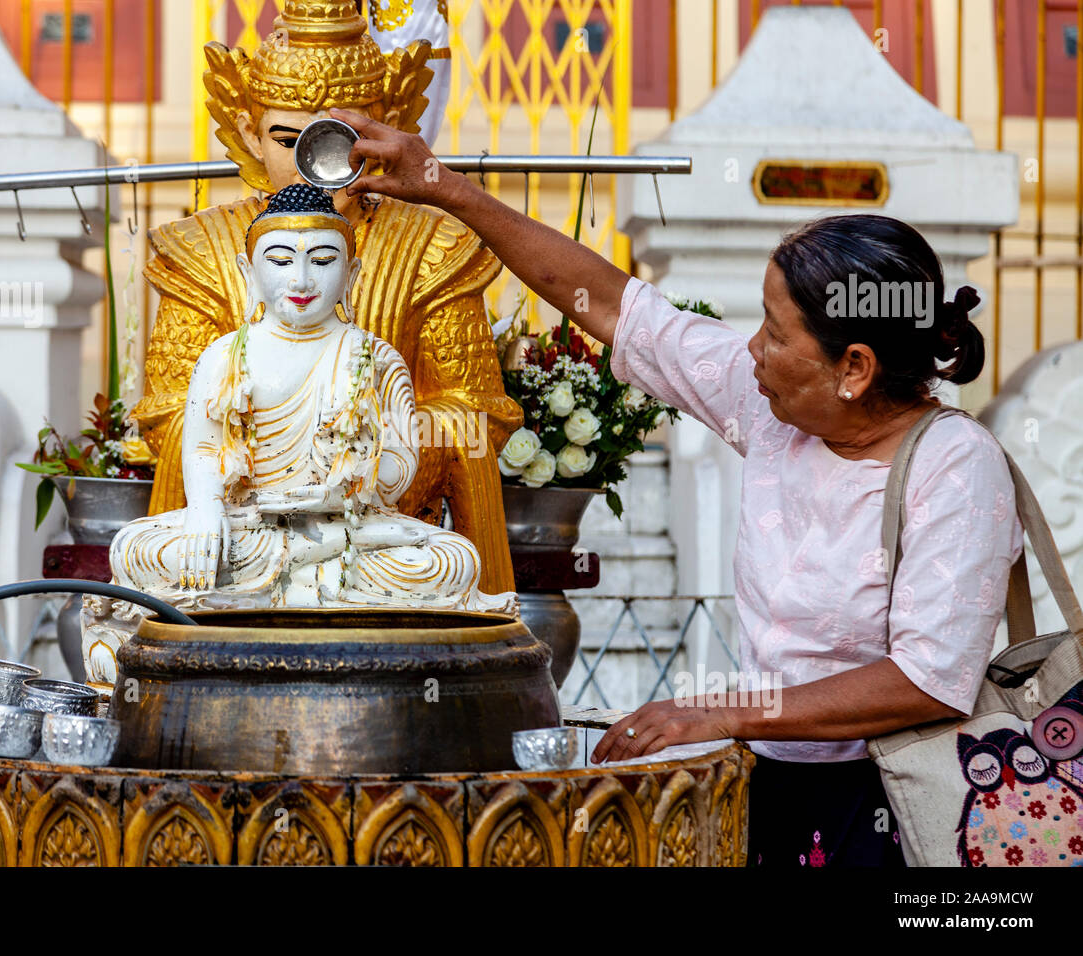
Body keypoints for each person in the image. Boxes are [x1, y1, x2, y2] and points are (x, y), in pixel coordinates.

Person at [330, 108, 1024, 867]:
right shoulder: (772, 410)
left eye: (773, 331)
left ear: (852, 368)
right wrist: (444, 187)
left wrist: (718, 710)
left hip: (895, 812)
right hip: (763, 784)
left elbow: (925, 682)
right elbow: (614, 306)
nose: (750, 349)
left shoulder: (956, 466)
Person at [133, 1, 521, 594]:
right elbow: (170, 416)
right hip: (243, 526)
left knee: (442, 564)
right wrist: (233, 498)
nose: (311, 166)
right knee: (141, 550)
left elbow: (471, 418)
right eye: (287, 139)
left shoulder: (435, 248)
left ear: (387, 125)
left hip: (368, 527)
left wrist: (358, 468)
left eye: (339, 142)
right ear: (246, 130)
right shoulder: (199, 252)